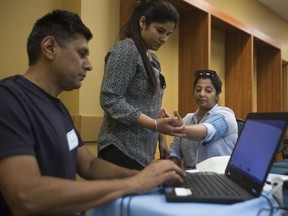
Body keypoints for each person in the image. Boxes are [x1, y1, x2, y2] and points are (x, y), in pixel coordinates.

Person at [0, 10, 185, 216]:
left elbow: (88, 165)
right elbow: (26, 197)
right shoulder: (9, 100)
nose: (89, 65)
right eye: (81, 54)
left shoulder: (58, 108)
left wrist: (147, 176)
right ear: (50, 47)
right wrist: (134, 182)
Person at [97, 0, 184, 171]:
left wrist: (161, 139)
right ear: (142, 22)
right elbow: (110, 99)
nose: (164, 39)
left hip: (144, 152)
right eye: (160, 31)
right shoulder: (126, 50)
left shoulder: (153, 58)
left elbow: (151, 103)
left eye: (168, 34)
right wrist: (155, 125)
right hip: (120, 148)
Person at [168, 70, 238, 169]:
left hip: (219, 178)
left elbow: (208, 130)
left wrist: (182, 129)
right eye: (198, 90)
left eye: (208, 91)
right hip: (191, 179)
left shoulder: (226, 115)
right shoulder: (187, 119)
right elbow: (175, 151)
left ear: (217, 95)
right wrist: (173, 170)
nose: (201, 94)